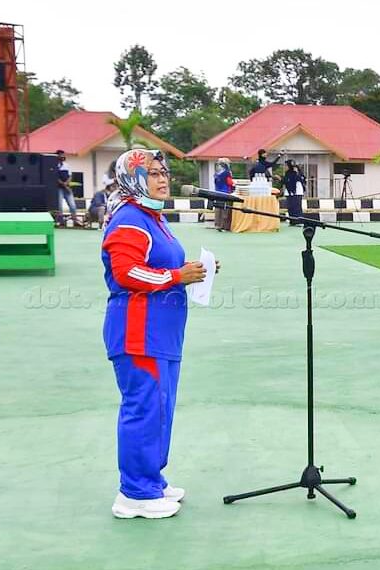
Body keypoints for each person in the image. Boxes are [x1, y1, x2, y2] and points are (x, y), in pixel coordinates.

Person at [102, 148, 218, 519]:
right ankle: (134, 493)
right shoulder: (130, 220)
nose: (163, 177)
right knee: (145, 409)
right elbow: (126, 273)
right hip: (138, 333)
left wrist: (192, 270)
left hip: (161, 333)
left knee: (160, 409)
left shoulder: (153, 217)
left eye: (164, 171)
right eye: (153, 173)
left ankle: (151, 480)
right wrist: (175, 277)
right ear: (133, 179)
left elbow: (158, 264)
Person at [55, 150, 82, 227]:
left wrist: (66, 184)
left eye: (63, 155)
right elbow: (55, 176)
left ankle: (75, 220)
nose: (62, 156)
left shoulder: (66, 165)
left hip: (67, 187)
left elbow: (70, 176)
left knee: (72, 205)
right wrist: (63, 184)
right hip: (59, 188)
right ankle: (60, 221)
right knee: (59, 205)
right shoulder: (54, 166)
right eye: (60, 155)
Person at [213, 158, 235, 232]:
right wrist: (233, 186)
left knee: (218, 209)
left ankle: (217, 224)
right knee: (225, 209)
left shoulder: (216, 173)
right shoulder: (227, 172)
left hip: (217, 192)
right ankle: (224, 226)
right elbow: (229, 182)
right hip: (225, 192)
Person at [282, 160, 306, 226]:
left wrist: (297, 173)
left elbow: (301, 179)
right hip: (289, 192)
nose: (285, 167)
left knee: (297, 207)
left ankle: (299, 221)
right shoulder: (287, 173)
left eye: (286, 165)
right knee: (290, 207)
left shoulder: (297, 172)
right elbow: (285, 181)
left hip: (297, 191)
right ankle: (292, 221)